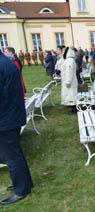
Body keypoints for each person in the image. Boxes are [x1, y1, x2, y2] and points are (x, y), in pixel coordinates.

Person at [0, 50, 34, 205]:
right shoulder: (7, 62)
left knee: (11, 157)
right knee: (16, 153)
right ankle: (25, 183)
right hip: (11, 116)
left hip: (5, 119)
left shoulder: (2, 64)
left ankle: (21, 189)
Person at [61, 47, 78, 114]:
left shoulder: (69, 60)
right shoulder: (69, 60)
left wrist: (68, 82)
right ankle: (72, 107)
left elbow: (69, 71)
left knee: (72, 95)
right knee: (70, 94)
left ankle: (74, 109)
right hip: (70, 80)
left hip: (70, 81)